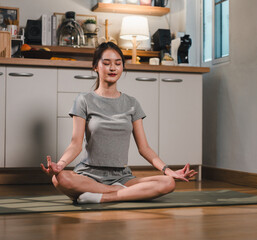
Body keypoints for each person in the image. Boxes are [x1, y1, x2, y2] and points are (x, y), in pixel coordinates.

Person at [41, 42, 197, 204]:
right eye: (106, 63)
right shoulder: (84, 100)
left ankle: (100, 197)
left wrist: (168, 170)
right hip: (89, 175)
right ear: (95, 66)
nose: (112, 68)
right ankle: (124, 193)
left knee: (168, 182)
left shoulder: (132, 103)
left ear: (123, 67)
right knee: (60, 179)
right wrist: (60, 165)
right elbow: (75, 144)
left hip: (122, 176)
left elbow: (144, 148)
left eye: (118, 63)